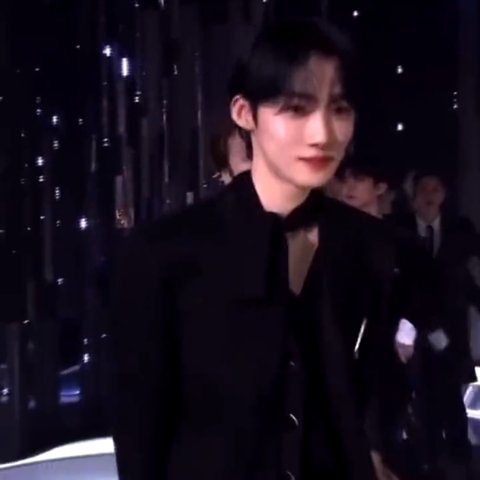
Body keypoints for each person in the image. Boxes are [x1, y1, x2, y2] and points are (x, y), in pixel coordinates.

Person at [111, 18, 433, 480]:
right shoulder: (163, 254)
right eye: (296, 108)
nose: (322, 133)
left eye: (339, 108)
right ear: (245, 113)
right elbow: (141, 435)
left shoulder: (370, 245)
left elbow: (374, 386)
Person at [395, 171, 480, 477]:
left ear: (444, 194)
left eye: (435, 189)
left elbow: (463, 278)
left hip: (451, 328)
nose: (429, 195)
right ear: (413, 195)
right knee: (421, 396)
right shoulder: (401, 229)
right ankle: (427, 461)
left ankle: (460, 459)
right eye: (423, 189)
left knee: (452, 394)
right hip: (412, 328)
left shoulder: (459, 230)